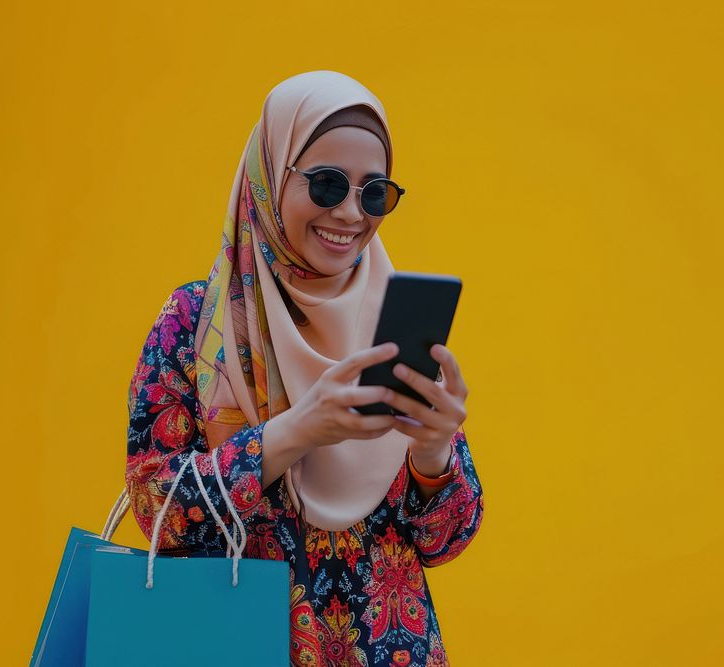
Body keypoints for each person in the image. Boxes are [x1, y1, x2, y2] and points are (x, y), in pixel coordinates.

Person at [125, 70, 484, 666]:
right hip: (236, 644)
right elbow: (154, 508)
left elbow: (445, 541)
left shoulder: (389, 322)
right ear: (269, 178)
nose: (350, 214)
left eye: (374, 194)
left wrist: (434, 454)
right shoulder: (197, 323)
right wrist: (293, 433)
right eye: (326, 184)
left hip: (388, 648)